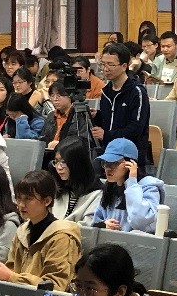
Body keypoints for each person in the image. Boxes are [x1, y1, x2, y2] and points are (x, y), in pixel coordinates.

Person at [0, 169, 80, 288]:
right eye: (18, 198)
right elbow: (12, 269)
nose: (21, 204)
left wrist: (10, 277)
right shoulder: (22, 231)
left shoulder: (62, 237)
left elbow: (55, 286)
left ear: (47, 201)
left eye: (28, 198)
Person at [92, 42, 152, 171]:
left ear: (124, 66)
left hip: (131, 156)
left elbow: (136, 128)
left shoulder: (137, 91)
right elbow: (111, 119)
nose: (105, 69)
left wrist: (107, 135)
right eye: (103, 64)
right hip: (108, 153)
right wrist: (97, 115)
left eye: (111, 64)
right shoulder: (106, 91)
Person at [91, 139, 165, 233]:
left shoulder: (149, 187)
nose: (107, 168)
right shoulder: (110, 188)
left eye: (113, 164)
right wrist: (103, 225)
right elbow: (95, 222)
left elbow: (139, 222)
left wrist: (131, 183)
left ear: (130, 164)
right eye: (105, 163)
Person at [47, 136, 104, 223]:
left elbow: (88, 226)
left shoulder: (96, 194)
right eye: (56, 161)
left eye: (63, 162)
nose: (59, 167)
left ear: (77, 163)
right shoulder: (57, 189)